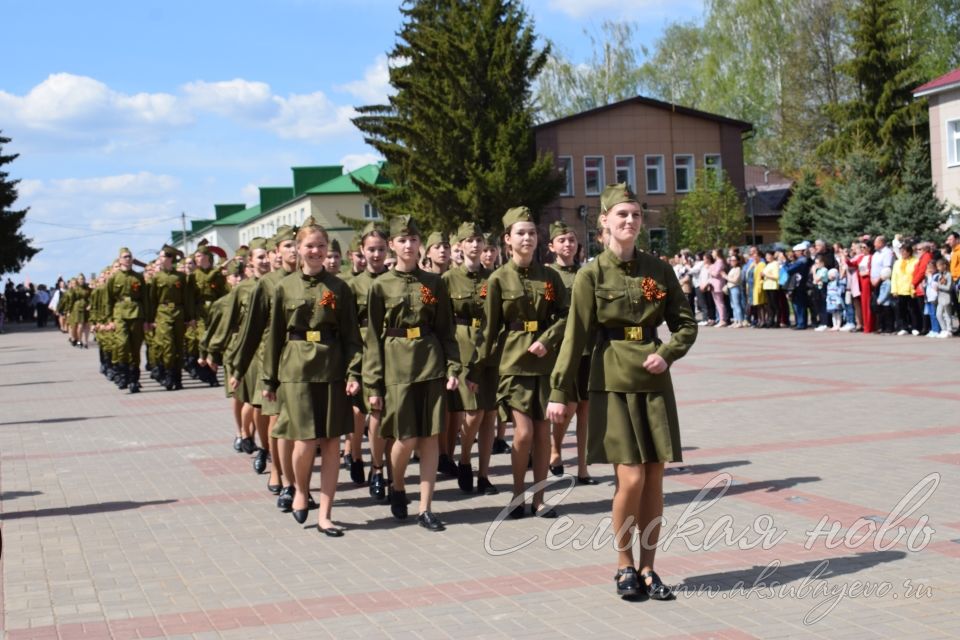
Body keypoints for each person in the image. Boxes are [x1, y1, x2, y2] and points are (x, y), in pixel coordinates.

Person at [546, 183, 697, 600]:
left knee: (653, 478)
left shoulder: (659, 270)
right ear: (605, 223)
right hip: (611, 379)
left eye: (635, 215)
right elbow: (574, 337)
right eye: (621, 215)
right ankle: (623, 564)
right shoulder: (591, 274)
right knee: (629, 479)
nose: (629, 221)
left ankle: (649, 568)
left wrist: (667, 354)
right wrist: (558, 391)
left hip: (652, 380)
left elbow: (686, 324)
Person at [262, 220, 361, 535]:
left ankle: (326, 514)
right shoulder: (283, 287)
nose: (316, 251)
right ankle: (301, 490)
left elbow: (351, 337)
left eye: (321, 246)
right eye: (309, 246)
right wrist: (269, 380)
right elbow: (275, 336)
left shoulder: (340, 287)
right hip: (296, 370)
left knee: (331, 442)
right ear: (298, 250)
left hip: (331, 367)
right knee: (304, 441)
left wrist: (353, 371)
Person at [468, 206, 568, 519]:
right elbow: (489, 328)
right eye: (520, 233)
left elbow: (566, 315)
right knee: (523, 433)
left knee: (542, 435)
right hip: (512, 363)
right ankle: (516, 495)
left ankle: (538, 500)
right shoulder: (498, 279)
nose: (527, 238)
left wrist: (548, 340)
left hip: (544, 363)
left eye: (531, 232)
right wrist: (474, 369)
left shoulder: (549, 277)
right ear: (507, 240)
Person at [364, 215, 461, 531]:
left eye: (413, 240)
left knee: (431, 436)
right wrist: (373, 383)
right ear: (392, 245)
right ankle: (398, 485)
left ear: (421, 244)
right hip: (396, 366)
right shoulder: (380, 286)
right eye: (402, 240)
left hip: (430, 362)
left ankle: (426, 507)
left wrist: (453, 366)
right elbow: (373, 340)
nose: (409, 245)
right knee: (405, 438)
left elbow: (446, 329)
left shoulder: (435, 283)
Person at [232, 227, 298, 493]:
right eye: (288, 246)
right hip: (271, 356)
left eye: (297, 245)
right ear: (276, 253)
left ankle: (296, 480)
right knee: (272, 414)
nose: (293, 251)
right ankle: (276, 470)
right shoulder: (267, 284)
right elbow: (252, 329)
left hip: (301, 359)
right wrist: (238, 366)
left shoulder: (314, 281)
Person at [442, 221, 500, 494]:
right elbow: (442, 321)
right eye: (470, 241)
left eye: (479, 240)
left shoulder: (494, 278)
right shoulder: (448, 279)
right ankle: (465, 460)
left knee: (489, 414)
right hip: (463, 347)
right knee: (473, 411)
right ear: (461, 246)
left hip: (490, 347)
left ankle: (484, 474)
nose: (476, 245)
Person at [544, 220, 595, 484]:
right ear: (552, 246)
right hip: (563, 349)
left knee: (586, 408)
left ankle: (583, 467)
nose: (568, 244)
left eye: (572, 240)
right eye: (562, 240)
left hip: (589, 348)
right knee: (567, 407)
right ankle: (555, 449)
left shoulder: (587, 273)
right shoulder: (548, 275)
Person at [344, 222, 391, 499]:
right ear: (361, 251)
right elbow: (343, 327)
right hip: (361, 353)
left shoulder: (394, 280)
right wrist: (351, 371)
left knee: (382, 414)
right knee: (361, 413)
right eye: (371, 250)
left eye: (381, 249)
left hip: (392, 352)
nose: (376, 255)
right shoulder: (349, 287)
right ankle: (364, 460)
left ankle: (382, 469)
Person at [145, 246, 196, 390]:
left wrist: (190, 317)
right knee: (168, 345)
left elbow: (187, 298)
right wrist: (150, 319)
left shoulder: (180, 277)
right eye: (160, 257)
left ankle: (177, 377)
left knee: (179, 345)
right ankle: (167, 375)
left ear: (171, 259)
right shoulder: (156, 278)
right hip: (163, 313)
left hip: (178, 313)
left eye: (164, 257)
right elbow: (152, 299)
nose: (161, 259)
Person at [104, 247, 149, 393]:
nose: (128, 259)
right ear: (119, 260)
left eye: (129, 257)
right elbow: (108, 300)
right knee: (123, 344)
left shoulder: (138, 277)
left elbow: (145, 299)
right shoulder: (114, 278)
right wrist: (109, 320)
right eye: (125, 257)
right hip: (119, 313)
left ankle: (134, 379)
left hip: (136, 313)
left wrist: (147, 320)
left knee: (135, 348)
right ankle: (123, 374)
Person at [935, 258, 953, 338]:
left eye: (939, 266)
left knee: (947, 314)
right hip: (940, 297)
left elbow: (949, 287)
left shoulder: (948, 275)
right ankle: (944, 329)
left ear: (944, 266)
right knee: (938, 314)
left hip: (946, 297)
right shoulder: (939, 275)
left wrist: (938, 286)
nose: (938, 268)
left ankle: (949, 330)